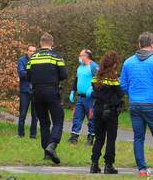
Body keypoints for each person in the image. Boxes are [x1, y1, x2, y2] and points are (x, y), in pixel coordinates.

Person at [119, 31, 153, 178]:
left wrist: (132, 93)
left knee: (138, 137)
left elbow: (122, 84)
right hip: (152, 103)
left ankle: (142, 170)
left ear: (139, 45)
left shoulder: (128, 62)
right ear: (152, 44)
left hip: (135, 104)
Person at [26, 33, 69, 164]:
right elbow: (64, 74)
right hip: (51, 91)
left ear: (40, 43)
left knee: (44, 122)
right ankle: (52, 145)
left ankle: (46, 152)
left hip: (36, 92)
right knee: (58, 120)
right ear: (51, 43)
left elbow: (28, 76)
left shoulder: (33, 58)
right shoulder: (56, 57)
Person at [90, 52, 125, 174]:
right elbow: (120, 94)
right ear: (114, 64)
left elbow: (94, 91)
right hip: (110, 111)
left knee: (99, 138)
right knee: (111, 138)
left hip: (98, 109)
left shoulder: (96, 77)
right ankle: (108, 165)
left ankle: (94, 164)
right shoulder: (113, 79)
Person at [69, 49, 99, 145]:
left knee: (91, 118)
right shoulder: (80, 67)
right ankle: (74, 137)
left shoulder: (93, 66)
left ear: (86, 56)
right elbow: (76, 79)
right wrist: (73, 91)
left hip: (90, 98)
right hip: (80, 97)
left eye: (81, 55)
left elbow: (99, 79)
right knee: (77, 117)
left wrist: (92, 88)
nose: (79, 57)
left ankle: (90, 139)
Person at [16, 45, 38, 139]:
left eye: (33, 51)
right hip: (24, 90)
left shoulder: (38, 61)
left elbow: (41, 74)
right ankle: (20, 134)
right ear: (27, 51)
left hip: (36, 90)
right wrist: (33, 74)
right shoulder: (22, 60)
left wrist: (28, 73)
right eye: (30, 51)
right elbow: (21, 73)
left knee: (35, 115)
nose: (32, 53)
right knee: (22, 114)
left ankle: (33, 135)